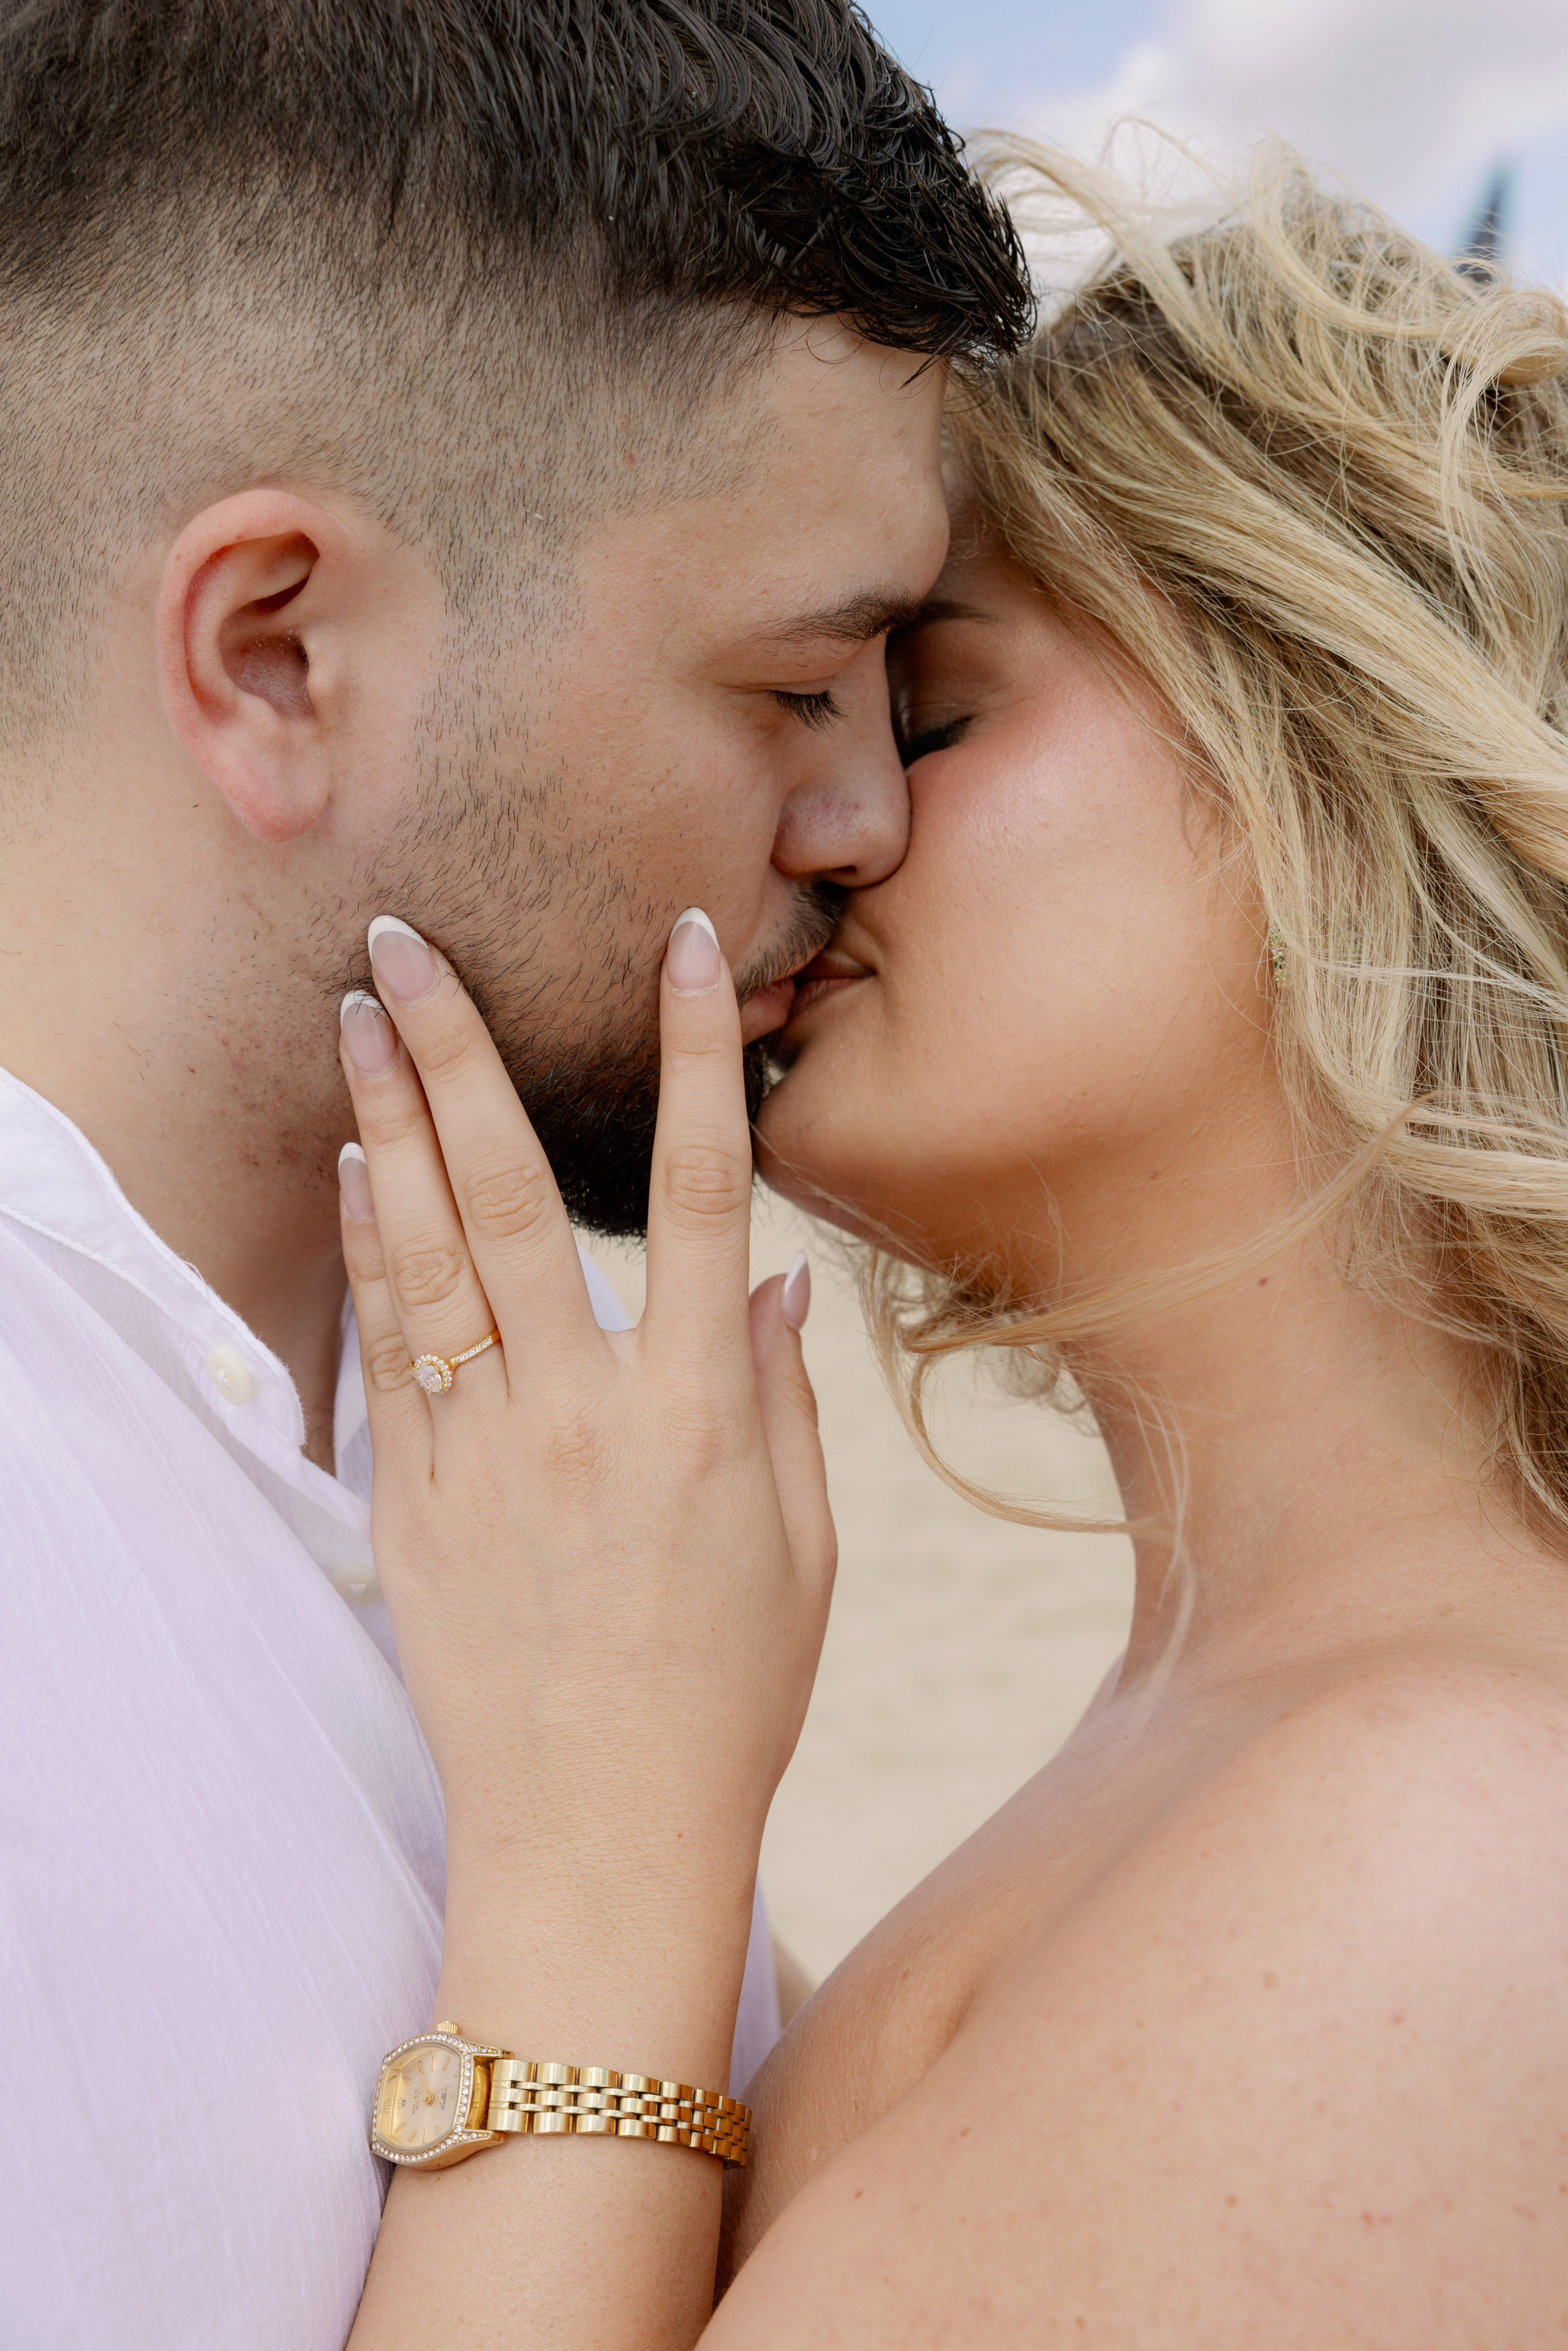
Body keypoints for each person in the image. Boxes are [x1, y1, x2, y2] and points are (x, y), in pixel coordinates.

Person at [333, 144, 1568, 2344]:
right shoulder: (1251, 1743)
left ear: (1341, 742)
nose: (819, 828)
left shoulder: (1441, 1843)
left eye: (924, 711)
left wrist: (605, 1859)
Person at [0, 4, 1032, 2344]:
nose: (872, 818)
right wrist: (606, 1886)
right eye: (800, 683)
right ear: (276, 655)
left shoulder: (523, 1475)